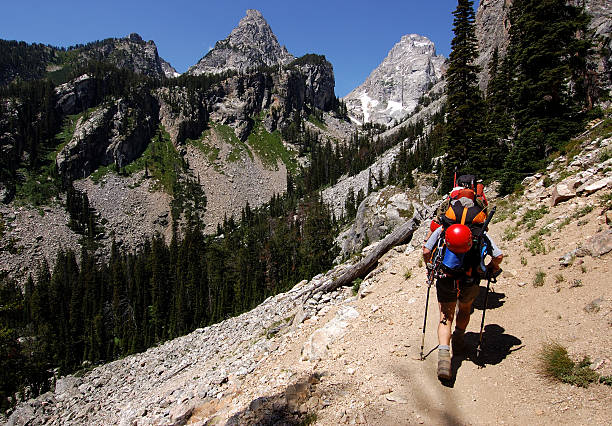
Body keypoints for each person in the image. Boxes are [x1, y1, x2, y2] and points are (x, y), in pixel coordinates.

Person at [422, 219, 503, 380]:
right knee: (465, 308)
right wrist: (490, 268)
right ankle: (458, 340)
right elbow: (498, 256)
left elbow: (426, 251)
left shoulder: (443, 229)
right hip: (471, 279)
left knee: (445, 317)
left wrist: (429, 266)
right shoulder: (479, 232)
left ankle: (444, 358)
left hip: (446, 278)